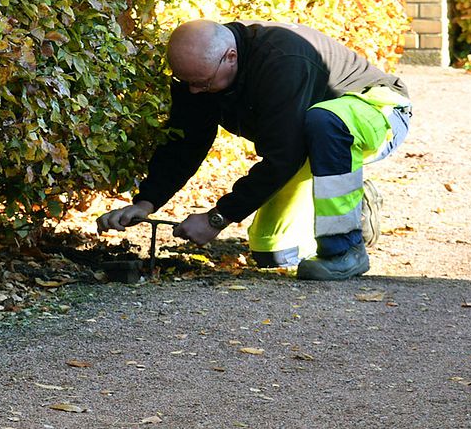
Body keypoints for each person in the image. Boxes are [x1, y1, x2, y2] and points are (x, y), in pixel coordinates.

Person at [96, 20, 412, 280]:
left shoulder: (282, 61)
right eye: (187, 83)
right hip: (307, 139)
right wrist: (148, 201)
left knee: (323, 121)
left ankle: (345, 248)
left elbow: (284, 156)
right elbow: (185, 142)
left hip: (377, 113)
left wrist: (216, 218)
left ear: (231, 56)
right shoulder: (199, 70)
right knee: (272, 252)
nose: (194, 91)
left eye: (202, 84)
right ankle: (347, 193)